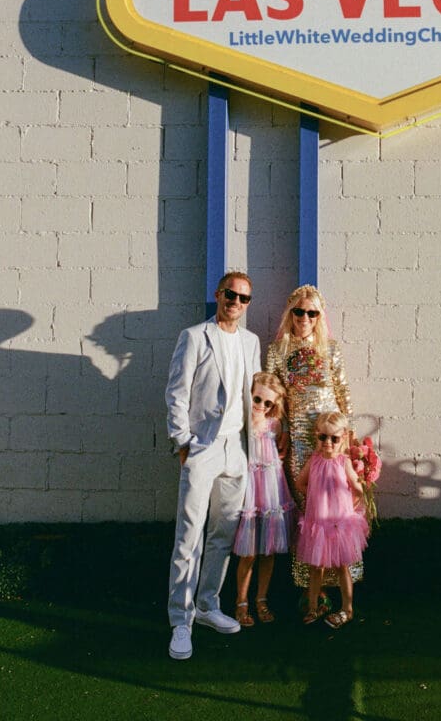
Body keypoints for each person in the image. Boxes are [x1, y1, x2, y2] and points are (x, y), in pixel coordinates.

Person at [165, 271, 260, 661]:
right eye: (231, 295)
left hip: (237, 450)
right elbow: (176, 392)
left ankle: (207, 605)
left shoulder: (252, 342)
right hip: (202, 448)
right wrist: (183, 444)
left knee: (224, 534)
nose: (236, 302)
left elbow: (253, 394)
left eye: (244, 298)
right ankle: (180, 621)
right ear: (218, 295)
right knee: (189, 535)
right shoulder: (194, 336)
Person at [265, 285, 359, 594]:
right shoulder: (277, 351)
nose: (305, 317)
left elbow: (342, 391)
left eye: (312, 313)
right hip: (301, 439)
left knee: (337, 503)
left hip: (332, 437)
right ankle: (309, 587)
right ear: (290, 313)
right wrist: (281, 432)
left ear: (319, 316)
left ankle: (340, 582)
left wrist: (350, 433)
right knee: (309, 508)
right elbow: (273, 398)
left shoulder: (329, 347)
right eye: (299, 311)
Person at [233, 372, 295, 627]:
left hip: (271, 492)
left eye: (267, 403)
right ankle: (241, 601)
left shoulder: (274, 425)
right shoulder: (242, 421)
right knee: (248, 553)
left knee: (268, 550)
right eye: (257, 399)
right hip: (250, 490)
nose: (260, 406)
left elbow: (281, 441)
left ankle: (262, 598)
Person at [296, 411, 369, 629]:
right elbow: (300, 483)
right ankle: (313, 606)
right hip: (318, 523)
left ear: (343, 437)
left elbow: (358, 488)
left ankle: (347, 608)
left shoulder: (343, 462)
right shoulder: (314, 460)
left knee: (341, 566)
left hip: (338, 524)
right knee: (315, 568)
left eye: (334, 438)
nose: (328, 442)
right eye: (323, 437)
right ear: (317, 436)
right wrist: (314, 498)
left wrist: (353, 504)